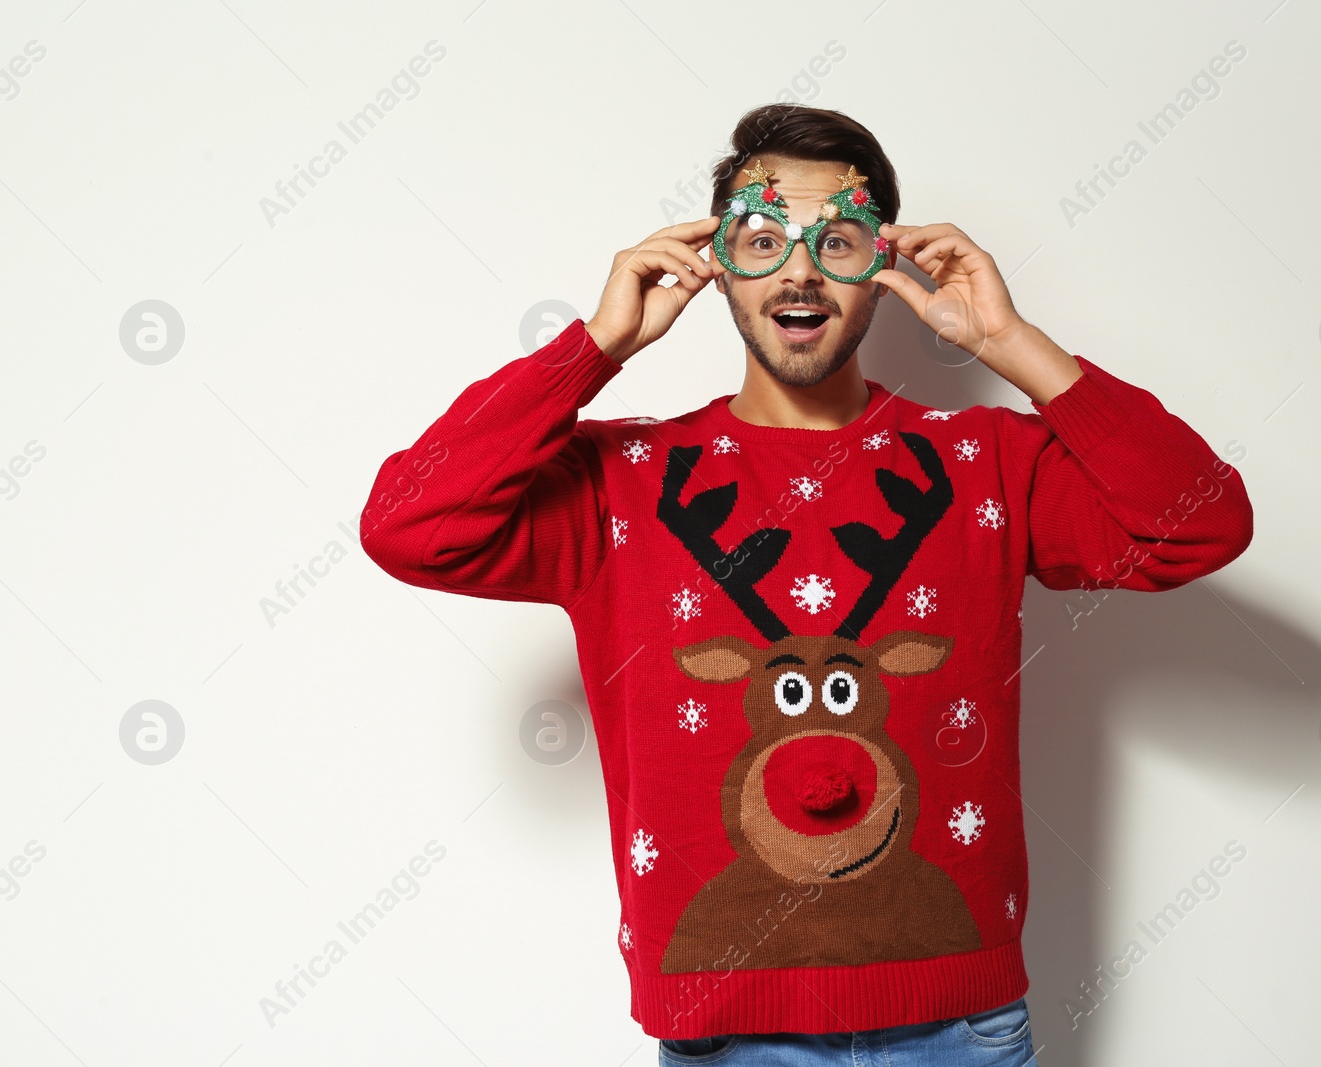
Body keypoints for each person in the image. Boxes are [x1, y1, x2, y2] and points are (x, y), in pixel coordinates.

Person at [358, 103, 1253, 1066]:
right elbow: (410, 525)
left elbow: (1200, 522)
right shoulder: (621, 482)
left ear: (883, 262)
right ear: (717, 266)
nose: (798, 270)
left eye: (836, 240)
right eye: (762, 238)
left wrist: (1012, 344)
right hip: (726, 1032)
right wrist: (596, 348)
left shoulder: (987, 460)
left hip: (960, 1026)